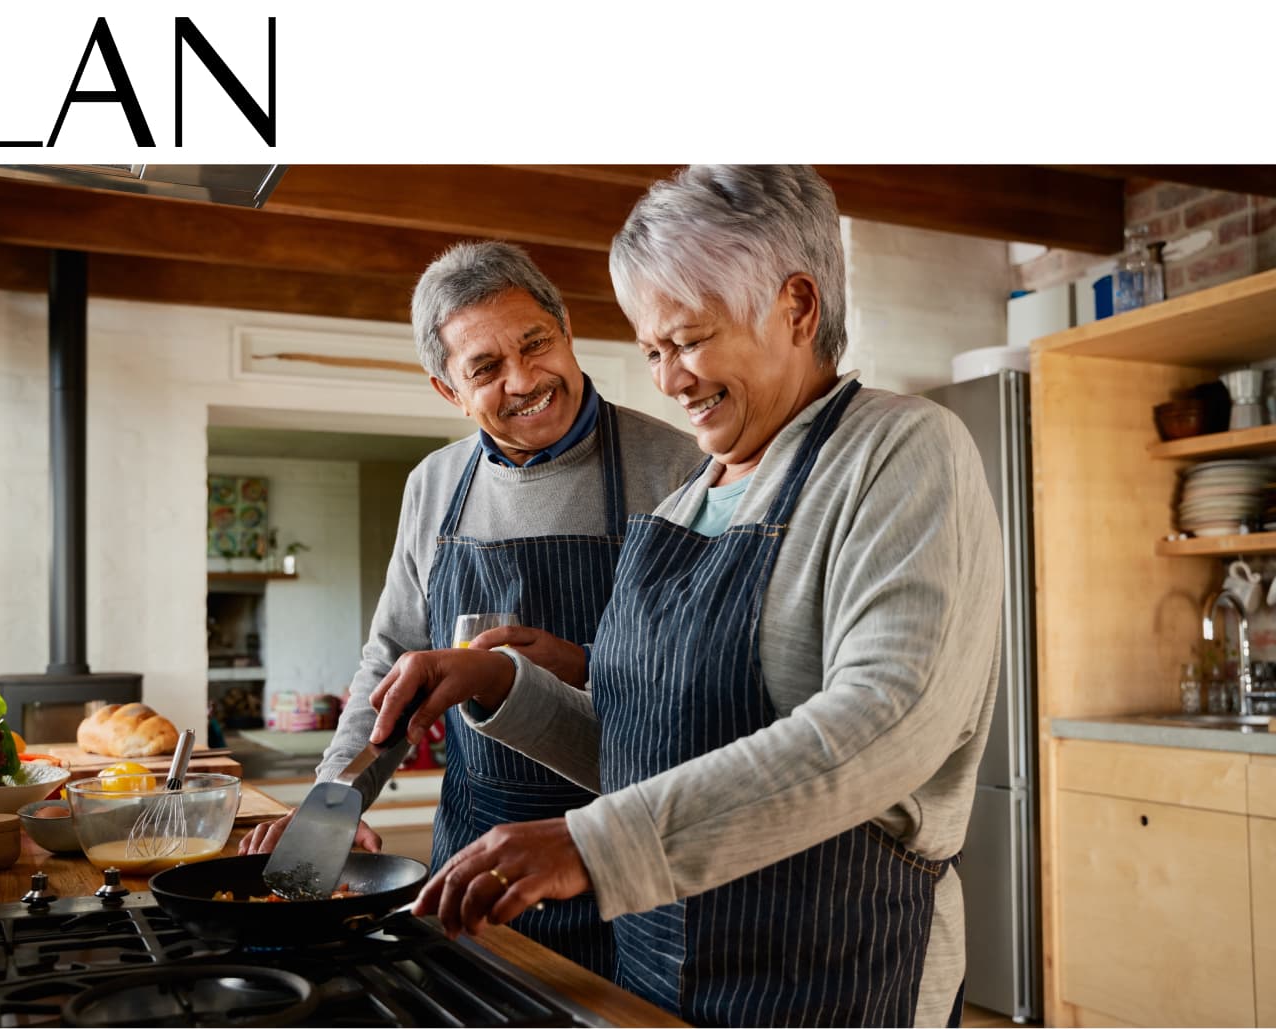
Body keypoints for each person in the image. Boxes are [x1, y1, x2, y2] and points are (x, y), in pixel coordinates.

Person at [365, 166, 1004, 1028]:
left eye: (690, 341)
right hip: (658, 967)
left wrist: (595, 843)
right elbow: (648, 750)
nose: (668, 381)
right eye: (653, 350)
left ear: (798, 308)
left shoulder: (901, 452)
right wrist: (504, 687)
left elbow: (883, 725)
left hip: (833, 973)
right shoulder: (687, 500)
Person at [239, 240, 702, 979]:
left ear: (566, 330)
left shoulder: (680, 469)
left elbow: (703, 689)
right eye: (485, 368)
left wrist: (584, 666)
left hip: (625, 852)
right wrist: (337, 799)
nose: (523, 379)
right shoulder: (433, 485)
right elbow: (392, 659)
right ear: (446, 389)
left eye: (535, 343)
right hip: (472, 855)